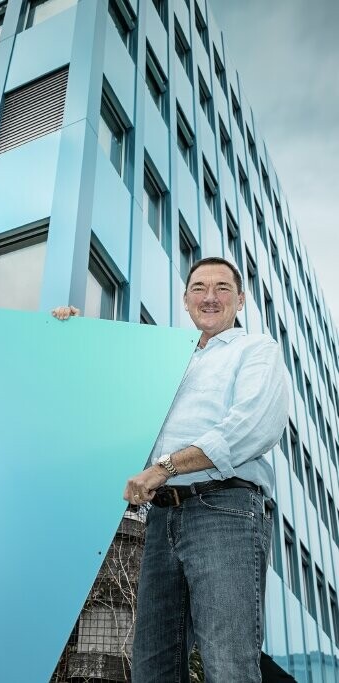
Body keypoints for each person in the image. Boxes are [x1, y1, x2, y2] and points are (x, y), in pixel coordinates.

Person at [55, 256, 289, 681]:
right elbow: (103, 405)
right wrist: (71, 337)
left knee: (228, 660)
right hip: (161, 517)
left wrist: (165, 466)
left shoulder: (256, 349)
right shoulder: (166, 361)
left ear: (240, 300)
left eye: (222, 288)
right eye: (199, 287)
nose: (210, 296)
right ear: (185, 300)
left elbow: (254, 425)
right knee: (152, 664)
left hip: (224, 509)